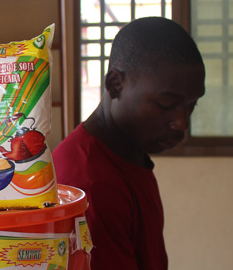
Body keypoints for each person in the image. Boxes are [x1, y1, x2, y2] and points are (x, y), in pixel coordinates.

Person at [53, 17, 205, 270]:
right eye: (166, 105)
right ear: (115, 85)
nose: (182, 122)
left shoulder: (128, 155)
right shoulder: (91, 184)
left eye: (191, 105)